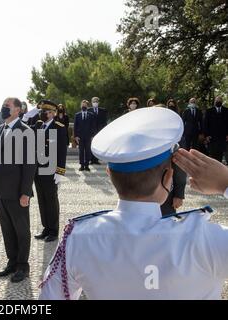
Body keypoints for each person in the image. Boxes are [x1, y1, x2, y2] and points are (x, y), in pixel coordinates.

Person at [39, 107, 228, 300]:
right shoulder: (207, 239)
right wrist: (225, 183)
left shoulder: (77, 238)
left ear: (109, 175)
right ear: (168, 176)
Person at [0, 97, 36, 283]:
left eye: (7, 106)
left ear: (18, 110)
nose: (4, 108)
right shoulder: (1, 129)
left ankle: (23, 266)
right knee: (7, 229)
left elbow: (29, 164)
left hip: (18, 191)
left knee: (21, 230)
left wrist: (26, 192)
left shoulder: (26, 131)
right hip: (1, 190)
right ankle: (12, 262)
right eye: (3, 105)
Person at [33, 100, 68, 243]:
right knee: (42, 199)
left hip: (51, 169)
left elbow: (62, 151)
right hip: (38, 169)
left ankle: (53, 230)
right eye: (42, 111)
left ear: (53, 113)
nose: (44, 114)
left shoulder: (59, 127)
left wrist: (59, 171)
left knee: (51, 200)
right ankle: (46, 228)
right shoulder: (39, 126)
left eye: (46, 112)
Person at [158, 103, 187, 216]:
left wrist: (179, 195)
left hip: (166, 194)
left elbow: (180, 169)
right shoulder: (139, 140)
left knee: (166, 225)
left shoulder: (173, 141)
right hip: (140, 196)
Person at [74, 100, 96, 171]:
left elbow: (93, 126)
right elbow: (75, 126)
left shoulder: (91, 115)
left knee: (87, 151)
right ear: (81, 106)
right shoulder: (77, 115)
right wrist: (76, 136)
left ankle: (87, 165)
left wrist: (92, 136)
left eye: (85, 105)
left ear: (87, 106)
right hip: (80, 137)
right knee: (81, 151)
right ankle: (81, 165)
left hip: (88, 136)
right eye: (82, 105)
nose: (84, 106)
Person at [204, 96, 228, 162]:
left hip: (222, 137)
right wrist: (206, 135)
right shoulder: (209, 111)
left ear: (222, 102)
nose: (218, 102)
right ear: (214, 101)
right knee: (212, 154)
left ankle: (219, 168)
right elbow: (206, 124)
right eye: (217, 100)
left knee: (220, 154)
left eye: (220, 100)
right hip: (212, 137)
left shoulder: (226, 111)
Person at [89, 97, 107, 165]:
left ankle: (96, 160)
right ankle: (91, 160)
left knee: (97, 145)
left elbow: (104, 121)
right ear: (91, 102)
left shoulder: (103, 110)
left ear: (98, 102)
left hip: (99, 131)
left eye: (96, 101)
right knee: (91, 145)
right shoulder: (89, 110)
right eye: (94, 101)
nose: (95, 103)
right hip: (91, 131)